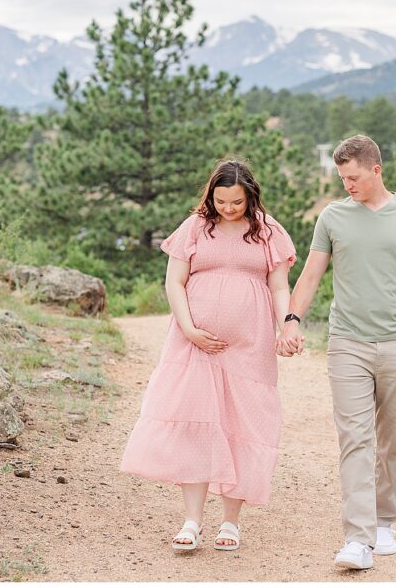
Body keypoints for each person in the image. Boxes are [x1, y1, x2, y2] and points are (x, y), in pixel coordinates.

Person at [276, 135, 396, 570]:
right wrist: (291, 319)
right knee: (355, 438)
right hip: (346, 342)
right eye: (342, 178)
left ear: (376, 170)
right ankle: (358, 538)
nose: (347, 184)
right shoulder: (332, 217)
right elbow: (310, 276)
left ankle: (385, 519)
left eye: (354, 177)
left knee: (392, 438)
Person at [120, 159, 297, 553]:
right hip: (194, 342)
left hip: (249, 346)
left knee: (243, 424)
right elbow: (174, 281)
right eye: (221, 201)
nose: (228, 208)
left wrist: (288, 323)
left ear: (250, 196)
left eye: (236, 202)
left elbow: (279, 286)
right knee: (198, 423)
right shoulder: (196, 226)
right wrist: (189, 328)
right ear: (210, 196)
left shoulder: (267, 231)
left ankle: (231, 522)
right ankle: (192, 520)